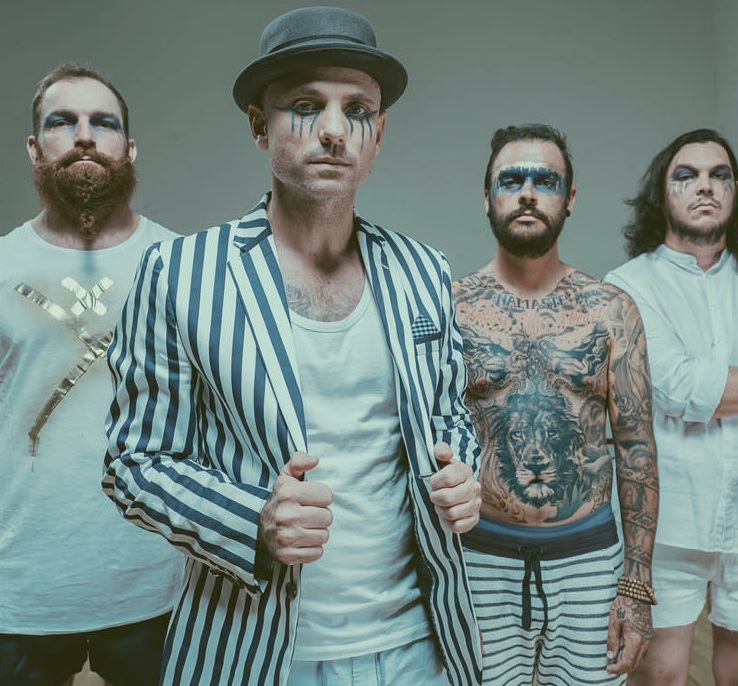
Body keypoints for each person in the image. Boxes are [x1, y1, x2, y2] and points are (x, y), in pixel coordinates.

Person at [101, 7, 483, 686]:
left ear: (378, 133)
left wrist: (462, 471)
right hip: (256, 649)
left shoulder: (424, 270)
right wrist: (252, 519)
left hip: (419, 645)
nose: (334, 131)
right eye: (305, 107)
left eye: (357, 110)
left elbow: (449, 415)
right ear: (259, 126)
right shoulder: (181, 273)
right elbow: (133, 462)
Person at [453, 123, 659, 685]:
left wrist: (636, 586)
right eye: (511, 180)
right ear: (488, 197)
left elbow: (636, 448)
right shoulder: (454, 309)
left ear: (569, 199)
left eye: (545, 181)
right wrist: (439, 580)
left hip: (591, 561)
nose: (527, 193)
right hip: (480, 561)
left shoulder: (612, 310)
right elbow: (426, 445)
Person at [0, 64, 184, 686]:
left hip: (156, 584)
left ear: (129, 148)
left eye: (103, 123)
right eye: (63, 122)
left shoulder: (183, 267)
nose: (85, 136)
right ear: (35, 148)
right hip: (23, 588)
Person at [605, 128, 738, 686]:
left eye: (720, 175)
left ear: (736, 192)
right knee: (659, 678)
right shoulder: (627, 286)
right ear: (661, 194)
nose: (704, 186)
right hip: (663, 528)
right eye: (686, 176)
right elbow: (678, 388)